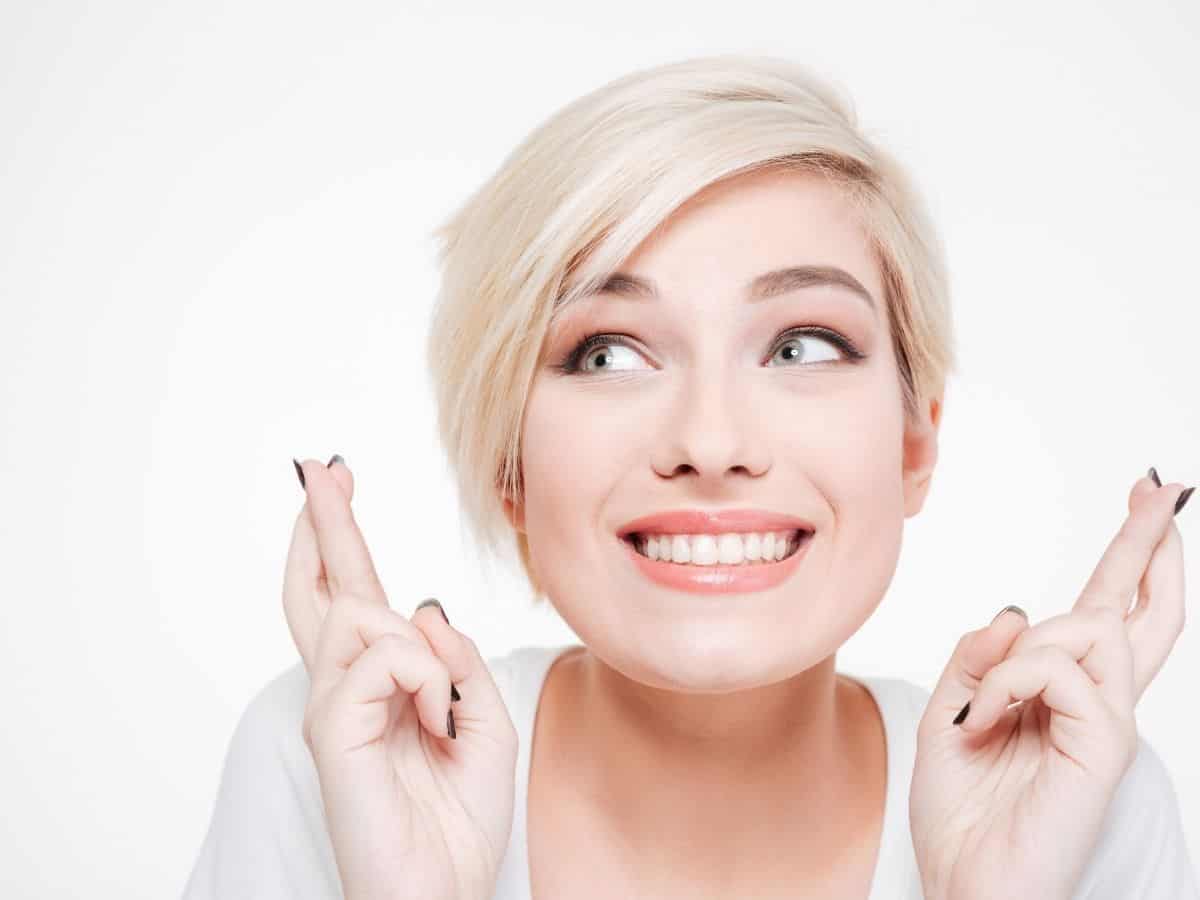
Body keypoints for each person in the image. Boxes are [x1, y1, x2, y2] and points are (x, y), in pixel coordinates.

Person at [182, 55, 1198, 900]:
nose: (711, 441)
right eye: (609, 353)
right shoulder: (338, 756)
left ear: (912, 445)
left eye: (802, 345)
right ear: (509, 467)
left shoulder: (1075, 785)